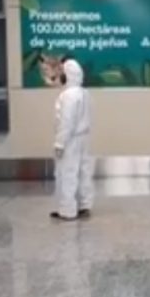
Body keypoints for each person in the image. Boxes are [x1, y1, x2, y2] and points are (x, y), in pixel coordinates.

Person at [50, 59, 94, 221]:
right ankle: (84, 206)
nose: (60, 76)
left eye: (63, 72)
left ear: (69, 74)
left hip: (71, 140)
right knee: (83, 172)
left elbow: (66, 121)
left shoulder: (68, 95)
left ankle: (67, 210)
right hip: (84, 138)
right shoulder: (84, 93)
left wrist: (60, 142)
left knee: (66, 172)